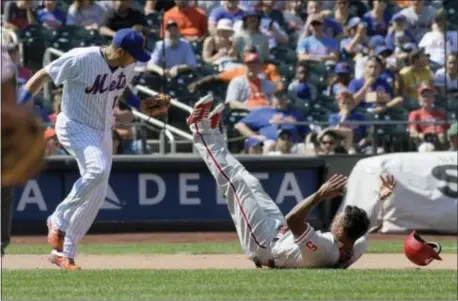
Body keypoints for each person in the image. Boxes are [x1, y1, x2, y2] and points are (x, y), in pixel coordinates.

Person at [186, 96, 397, 269]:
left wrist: (319, 195)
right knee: (247, 179)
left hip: (264, 245)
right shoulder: (356, 243)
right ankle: (213, 135)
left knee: (237, 183)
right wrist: (380, 198)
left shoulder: (326, 250)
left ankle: (199, 130)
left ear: (341, 231)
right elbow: (367, 224)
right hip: (278, 231)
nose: (336, 219)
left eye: (339, 220)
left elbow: (293, 219)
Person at [20, 29, 169, 270]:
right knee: (97, 170)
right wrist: (16, 106)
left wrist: (140, 104)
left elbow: (121, 88)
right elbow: (43, 75)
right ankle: (58, 219)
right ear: (119, 51)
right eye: (134, 55)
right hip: (74, 125)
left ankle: (64, 253)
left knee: (97, 195)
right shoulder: (81, 58)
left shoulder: (126, 64)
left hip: (103, 130)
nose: (136, 60)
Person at [234, 91, 309, 153]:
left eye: (283, 97)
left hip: (291, 145)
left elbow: (307, 132)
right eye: (278, 97)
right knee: (269, 145)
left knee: (306, 148)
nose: (281, 99)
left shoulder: (296, 114)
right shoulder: (262, 111)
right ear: (272, 99)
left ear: (287, 99)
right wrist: (254, 136)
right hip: (269, 144)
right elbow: (240, 125)